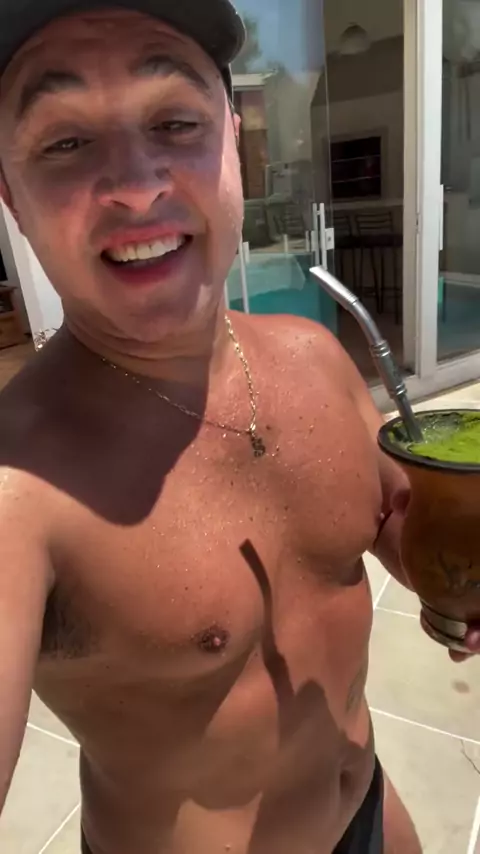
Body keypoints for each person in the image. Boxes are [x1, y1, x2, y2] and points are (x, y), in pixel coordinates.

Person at [0, 2, 478, 852]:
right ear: (10, 195)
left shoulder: (314, 356)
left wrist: (454, 574)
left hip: (370, 816)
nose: (137, 183)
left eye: (174, 122)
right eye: (66, 141)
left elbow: (394, 525)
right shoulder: (19, 485)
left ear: (232, 141)